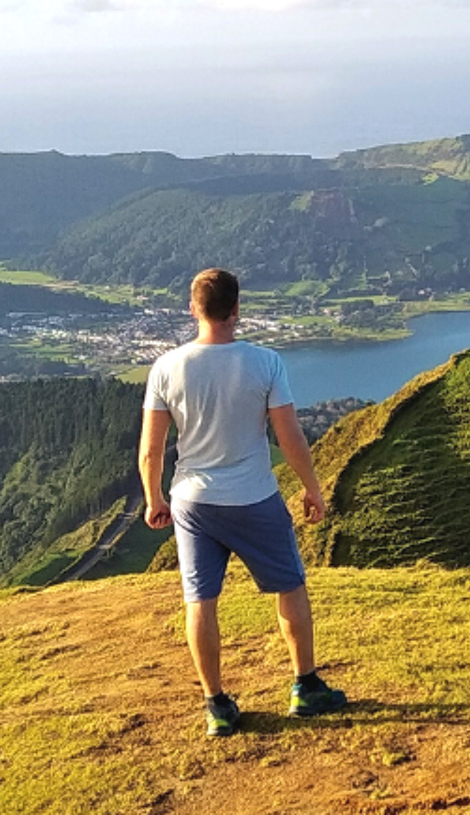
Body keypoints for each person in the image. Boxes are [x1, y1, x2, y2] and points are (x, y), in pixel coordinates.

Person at [139, 267, 347, 737]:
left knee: (200, 600)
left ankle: (216, 705)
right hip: (254, 496)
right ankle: (305, 686)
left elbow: (151, 448)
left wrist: (154, 498)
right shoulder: (265, 363)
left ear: (193, 309)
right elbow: (289, 435)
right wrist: (311, 487)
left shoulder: (166, 367)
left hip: (192, 502)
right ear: (236, 310)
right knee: (290, 586)